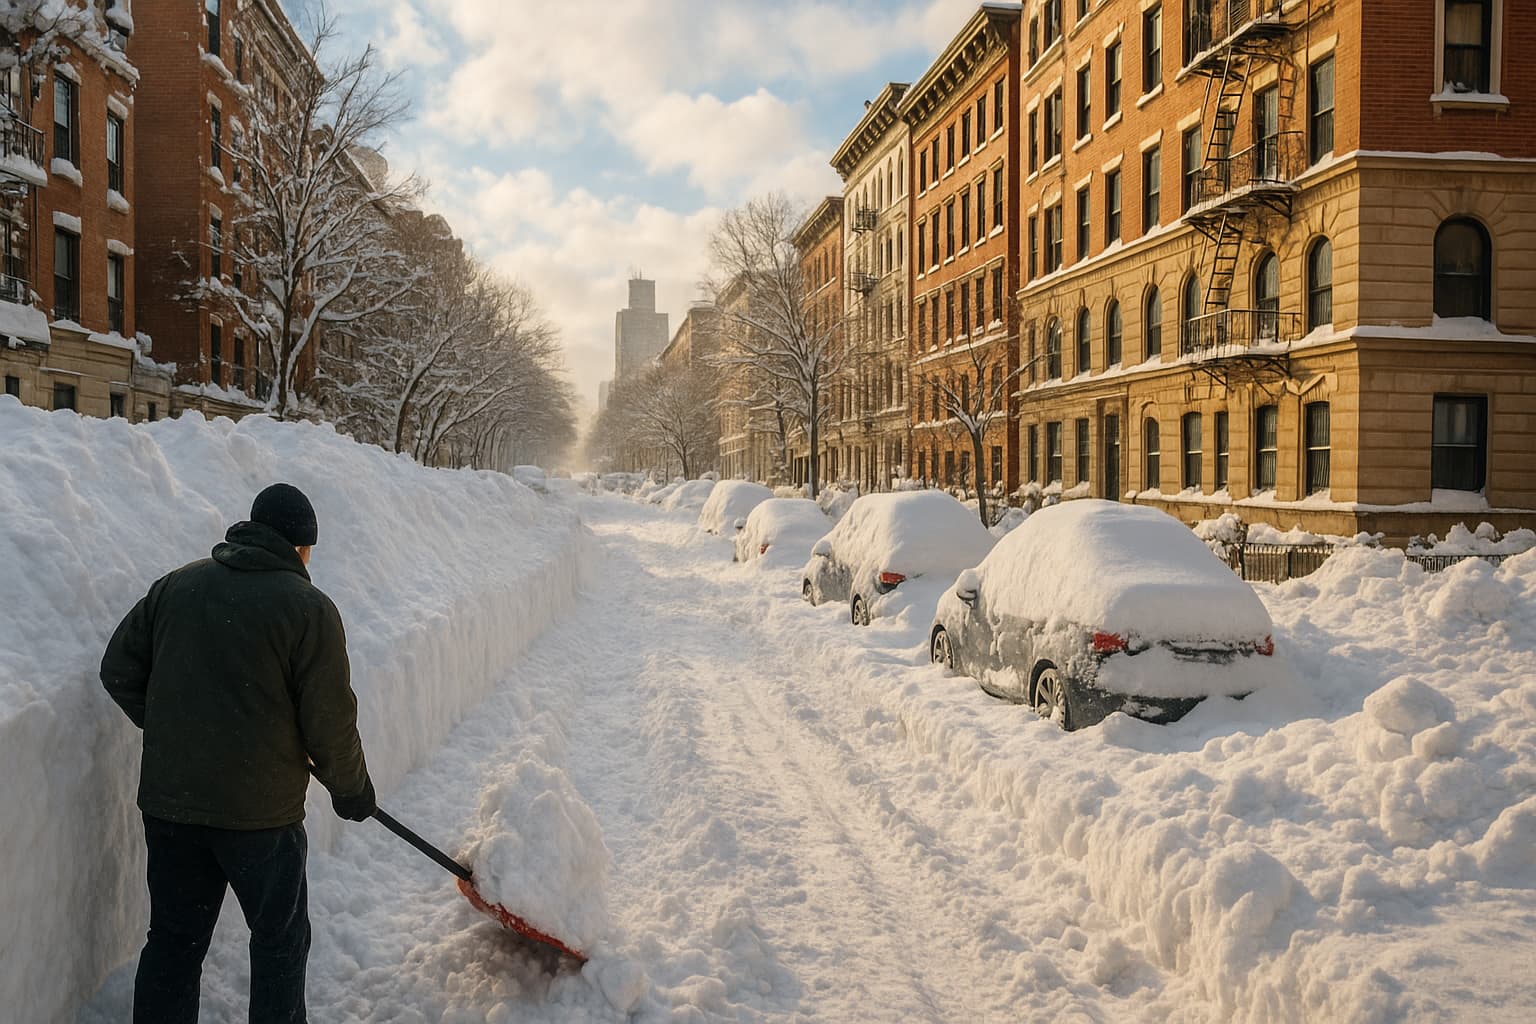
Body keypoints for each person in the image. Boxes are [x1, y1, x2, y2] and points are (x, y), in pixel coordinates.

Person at [101, 482, 376, 1024]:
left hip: (172, 807)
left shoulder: (175, 587)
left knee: (174, 941)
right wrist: (351, 790)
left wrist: (175, 732)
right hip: (260, 820)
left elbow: (118, 670)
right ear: (300, 546)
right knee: (278, 941)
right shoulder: (309, 609)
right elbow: (329, 722)